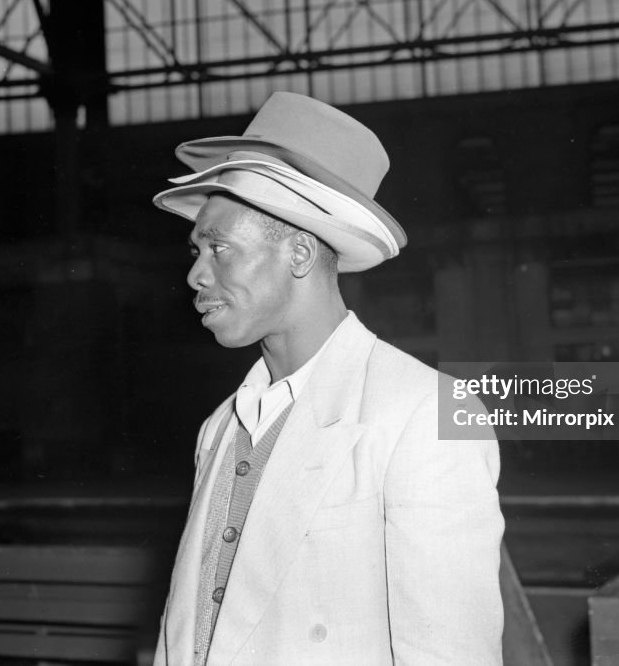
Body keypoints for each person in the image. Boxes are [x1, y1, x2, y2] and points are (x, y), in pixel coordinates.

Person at [150, 92, 504, 665]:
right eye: (196, 249)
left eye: (220, 249)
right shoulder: (219, 428)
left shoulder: (430, 411)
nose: (195, 273)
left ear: (299, 253)